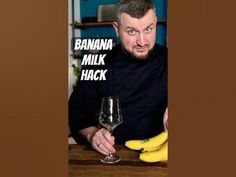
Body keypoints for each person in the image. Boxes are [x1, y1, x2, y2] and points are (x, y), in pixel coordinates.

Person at [69, 0, 168, 155]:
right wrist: (92, 134)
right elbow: (76, 110)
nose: (142, 41)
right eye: (132, 31)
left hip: (161, 154)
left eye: (148, 29)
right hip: (113, 155)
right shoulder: (98, 63)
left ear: (155, 23)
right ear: (117, 29)